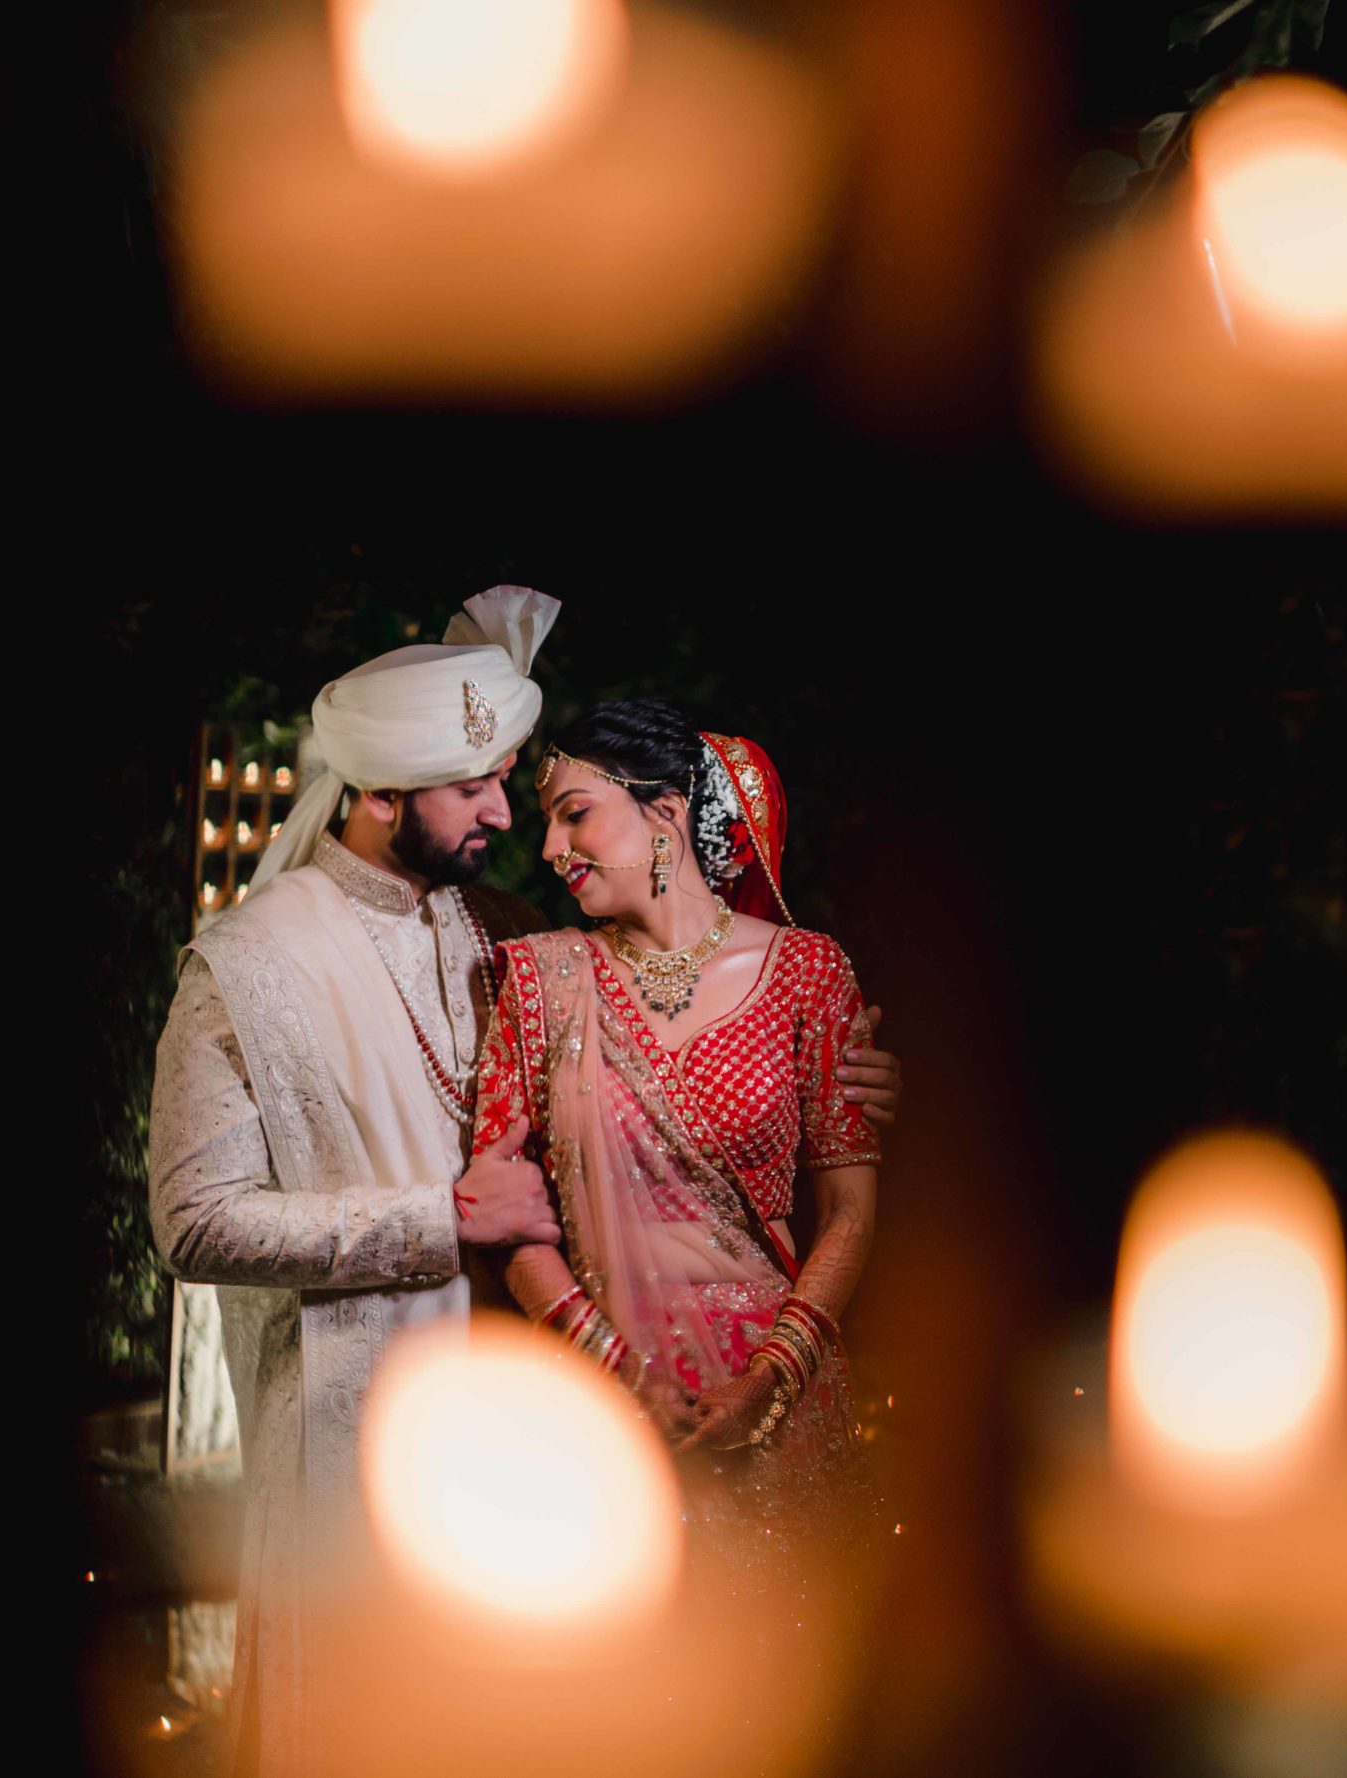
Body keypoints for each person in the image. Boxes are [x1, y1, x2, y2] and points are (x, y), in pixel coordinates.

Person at [146, 594, 905, 1777]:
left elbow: (694, 1036)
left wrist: (847, 1082)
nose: (509, 822)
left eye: (522, 789)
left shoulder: (502, 927)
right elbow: (192, 1220)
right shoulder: (245, 965)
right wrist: (437, 1219)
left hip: (546, 1427)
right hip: (361, 1433)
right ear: (385, 790)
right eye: (479, 790)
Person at [470, 698, 889, 1636]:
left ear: (664, 814)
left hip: (776, 1397)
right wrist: (621, 1371)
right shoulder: (538, 981)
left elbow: (852, 1215)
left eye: (575, 813)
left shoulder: (809, 973)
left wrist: (771, 1380)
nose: (549, 850)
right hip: (600, 1411)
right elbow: (511, 1215)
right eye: (547, 822)